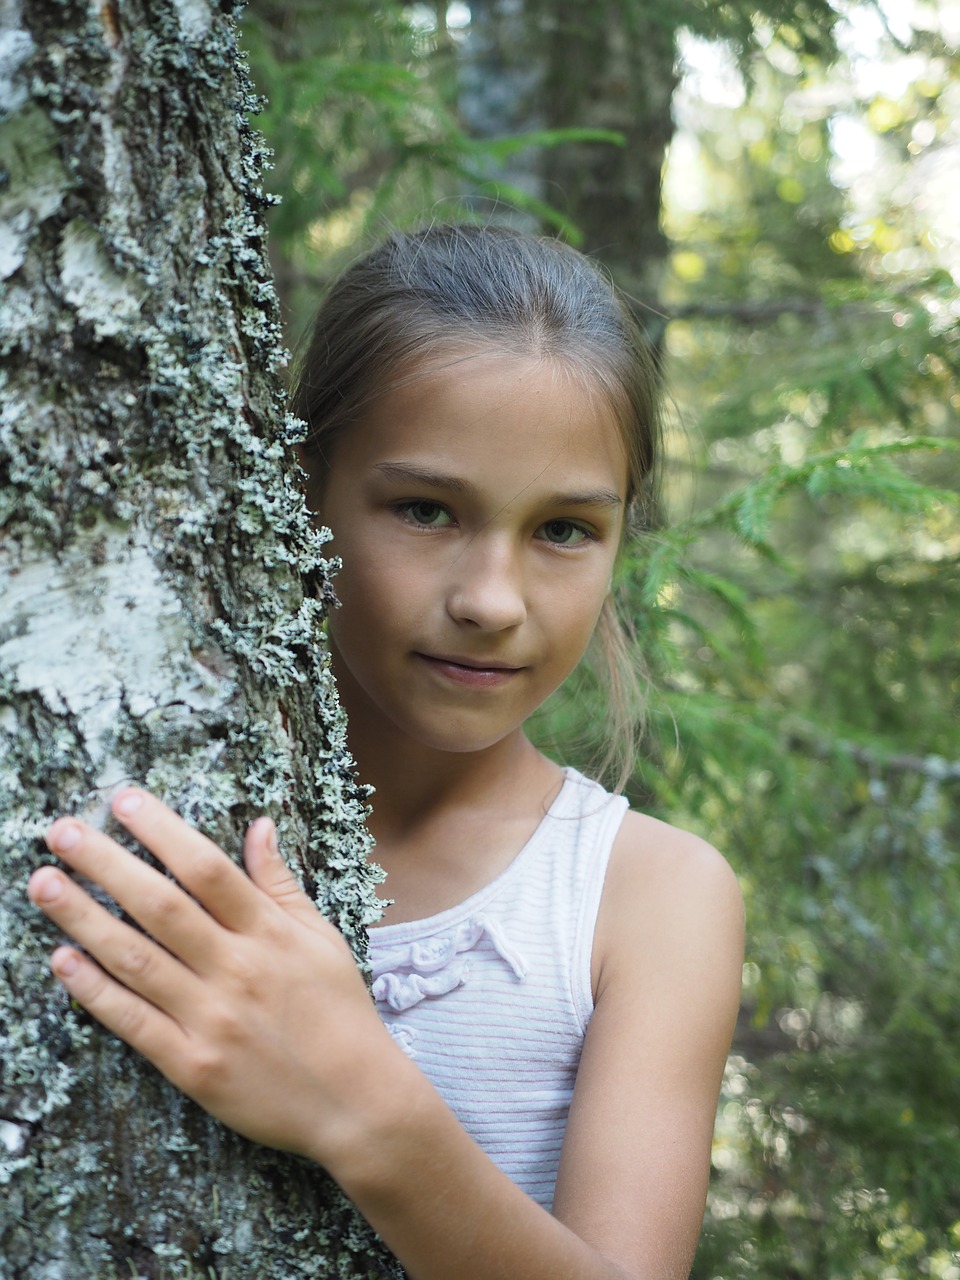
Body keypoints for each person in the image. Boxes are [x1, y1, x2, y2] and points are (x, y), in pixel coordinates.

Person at [27, 225, 744, 1280]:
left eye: (563, 530)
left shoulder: (649, 897)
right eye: (424, 508)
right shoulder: (177, 795)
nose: (491, 600)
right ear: (301, 494)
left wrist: (364, 1105)